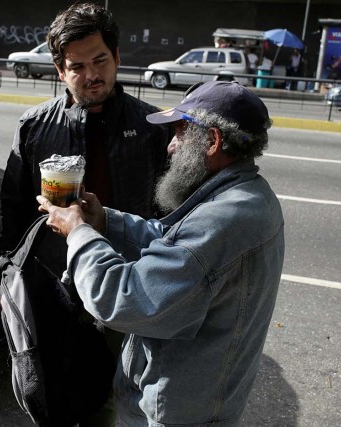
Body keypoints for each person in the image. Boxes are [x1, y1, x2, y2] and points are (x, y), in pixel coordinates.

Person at [37, 80, 285, 425]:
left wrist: (77, 232)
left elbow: (123, 299)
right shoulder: (245, 193)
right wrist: (105, 221)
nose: (171, 147)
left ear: (212, 141)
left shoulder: (223, 220)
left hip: (176, 413)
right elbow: (174, 243)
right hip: (198, 399)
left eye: (180, 134)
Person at [0, 2, 171, 425]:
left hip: (124, 283)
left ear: (117, 59)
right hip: (55, 284)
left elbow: (171, 211)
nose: (91, 75)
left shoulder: (153, 124)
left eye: (100, 61)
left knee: (114, 391)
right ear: (60, 70)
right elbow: (14, 206)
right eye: (77, 66)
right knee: (52, 386)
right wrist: (6, 267)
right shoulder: (35, 124)